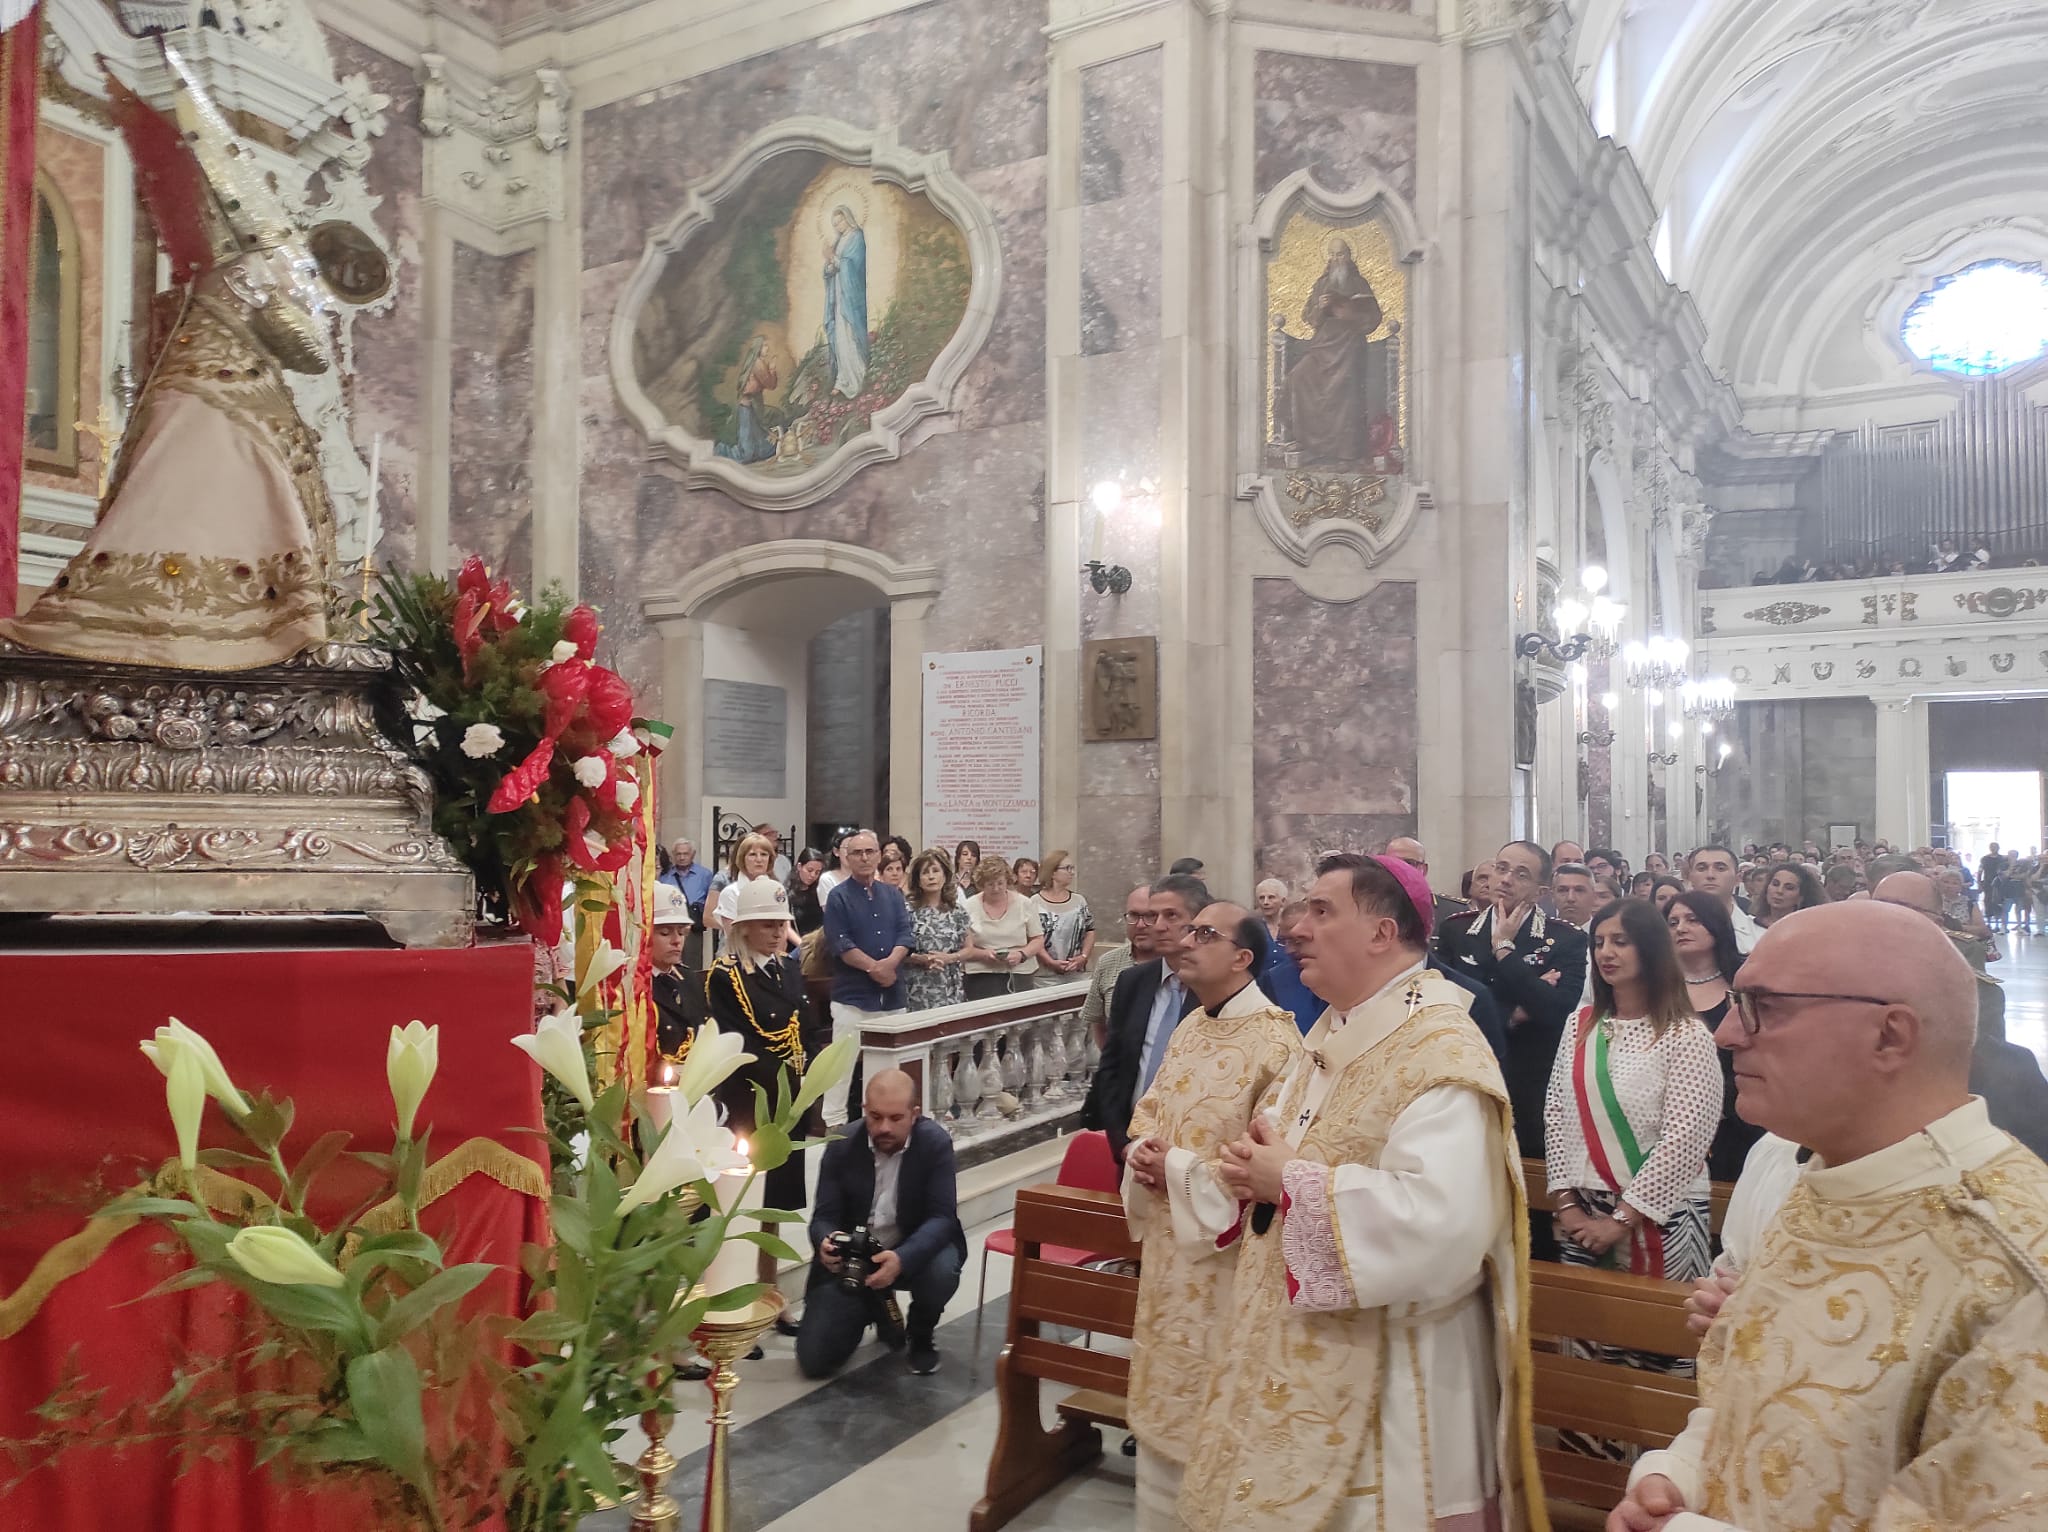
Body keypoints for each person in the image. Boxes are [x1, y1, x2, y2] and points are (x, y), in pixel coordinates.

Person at [1612, 901, 2048, 1532]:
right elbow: (1758, 1390)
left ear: (1890, 1035)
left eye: (1764, 1006)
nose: (1726, 1032)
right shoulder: (1827, 1184)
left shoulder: (2014, 1264)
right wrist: (1678, 1475)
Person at [1176, 853, 1541, 1531]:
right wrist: (1248, 1168)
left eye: (1321, 911)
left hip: (1394, 1379)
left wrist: (1286, 1179)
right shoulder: (1338, 1030)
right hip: (1295, 1353)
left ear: (1381, 933)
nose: (1294, 929)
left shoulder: (1440, 1052)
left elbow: (1444, 1225)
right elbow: (1289, 1148)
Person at [1122, 903, 1302, 1528]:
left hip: (1227, 1263)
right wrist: (1140, 1149)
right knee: (1164, 1393)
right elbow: (1149, 1107)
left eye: (1204, 933)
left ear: (1243, 957)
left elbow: (1268, 1160)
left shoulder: (1279, 1042)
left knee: (1215, 1406)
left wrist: (1172, 1167)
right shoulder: (1192, 1027)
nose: (1185, 940)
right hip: (1169, 1255)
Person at [1545, 899, 1721, 1295]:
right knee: (1587, 1340)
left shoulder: (1686, 1035)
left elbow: (1685, 1139)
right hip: (1584, 1211)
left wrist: (1621, 1219)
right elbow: (1555, 1113)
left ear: (1650, 948)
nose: (1605, 952)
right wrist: (1568, 1206)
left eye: (1620, 941)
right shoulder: (1581, 1025)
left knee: (1656, 1341)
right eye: (1599, 941)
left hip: (1662, 1212)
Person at [797, 1070, 965, 1379]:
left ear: (914, 1114)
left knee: (942, 1270)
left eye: (895, 1118)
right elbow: (823, 1217)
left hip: (912, 1248)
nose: (884, 1127)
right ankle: (874, 1304)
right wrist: (825, 1240)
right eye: (875, 1117)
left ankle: (921, 1331)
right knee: (814, 1361)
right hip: (855, 1257)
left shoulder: (934, 1144)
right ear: (864, 1110)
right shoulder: (842, 1145)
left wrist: (902, 1259)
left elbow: (942, 1218)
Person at [1872, 870, 2048, 1160]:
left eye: (1900, 909)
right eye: (1877, 906)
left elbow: (1975, 1060)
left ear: (1935, 922)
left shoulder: (1973, 986)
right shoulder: (1835, 974)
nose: (1883, 917)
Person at [1435, 840, 1590, 1163]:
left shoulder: (1565, 939)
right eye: (1501, 868)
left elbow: (1554, 1011)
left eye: (1521, 874)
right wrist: (1510, 1013)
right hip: (1465, 1075)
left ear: (1540, 892)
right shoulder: (1456, 930)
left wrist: (1504, 948)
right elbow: (1444, 1005)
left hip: (1529, 1082)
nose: (1505, 879)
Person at [705, 876, 811, 1283]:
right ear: (743, 927)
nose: (776, 932)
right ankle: (736, 1291)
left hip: (789, 1103)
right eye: (766, 923)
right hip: (750, 1103)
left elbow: (803, 1030)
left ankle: (769, 1292)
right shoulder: (727, 976)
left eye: (781, 924)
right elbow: (741, 1042)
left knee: (775, 1205)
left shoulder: (787, 969)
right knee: (742, 1204)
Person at [1081, 873, 1208, 1159]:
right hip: (1131, 1149)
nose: (1157, 926)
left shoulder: (1216, 987)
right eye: (1152, 916)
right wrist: (1121, 1144)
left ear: (1199, 923)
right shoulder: (1132, 982)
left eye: (1170, 916)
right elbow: (1113, 1067)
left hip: (1192, 1156)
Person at [821, 830, 913, 1130]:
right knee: (841, 1067)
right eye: (857, 853)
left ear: (878, 855)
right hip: (853, 997)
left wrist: (891, 963)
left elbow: (904, 933)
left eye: (870, 852)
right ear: (846, 857)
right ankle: (834, 1125)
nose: (864, 857)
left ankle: (887, 1123)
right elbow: (841, 943)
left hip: (892, 995)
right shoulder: (839, 896)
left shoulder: (893, 893)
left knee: (891, 1070)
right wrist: (875, 968)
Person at [1666, 891, 1760, 1181]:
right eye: (1672, 922)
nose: (1680, 928)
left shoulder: (1745, 982)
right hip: (1666, 1124)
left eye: (1692, 919)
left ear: (1715, 925)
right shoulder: (1653, 989)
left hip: (1735, 1121)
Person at [903, 849, 977, 1012]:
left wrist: (950, 957)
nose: (931, 877)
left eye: (935, 871)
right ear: (918, 879)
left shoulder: (957, 911)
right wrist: (921, 959)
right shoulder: (906, 910)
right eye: (925, 873)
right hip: (916, 987)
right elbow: (899, 952)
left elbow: (969, 949)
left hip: (950, 986)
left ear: (945, 876)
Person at [960, 857, 1044, 1000]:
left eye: (1000, 883)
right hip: (980, 974)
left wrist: (1021, 955)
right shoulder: (968, 906)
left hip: (1019, 973)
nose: (996, 888)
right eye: (990, 884)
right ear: (981, 884)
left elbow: (1038, 939)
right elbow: (963, 946)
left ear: (1008, 881)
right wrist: (984, 955)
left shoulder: (1025, 903)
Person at [1081, 885, 1150, 1049]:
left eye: (1149, 916)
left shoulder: (1180, 967)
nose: (1140, 925)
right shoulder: (1109, 962)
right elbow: (1098, 1023)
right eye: (1133, 915)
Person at [649, 883, 707, 1061]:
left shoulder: (689, 979)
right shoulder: (637, 985)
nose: (676, 941)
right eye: (665, 933)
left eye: (681, 933)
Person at [1031, 849, 1094, 986]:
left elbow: (1090, 931)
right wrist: (1050, 962)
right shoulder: (1034, 903)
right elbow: (1033, 938)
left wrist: (1083, 957)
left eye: (1072, 868)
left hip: (1077, 974)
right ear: (1053, 872)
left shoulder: (1079, 901)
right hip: (1044, 977)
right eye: (1067, 868)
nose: (1072, 872)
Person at [1260, 898, 1323, 1034]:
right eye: (1284, 941)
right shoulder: (1272, 981)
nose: (1289, 950)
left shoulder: (1344, 976)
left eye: (1298, 941)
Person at [712, 833, 780, 956]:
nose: (759, 859)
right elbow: (734, 936)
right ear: (742, 858)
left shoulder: (777, 890)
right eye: (753, 854)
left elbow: (783, 930)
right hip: (740, 959)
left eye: (764, 854)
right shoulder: (731, 892)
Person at [1685, 844, 1762, 952]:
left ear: (1737, 878)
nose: (1710, 875)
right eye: (1702, 868)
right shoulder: (1671, 935)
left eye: (1720, 868)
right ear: (1690, 877)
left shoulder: (1761, 936)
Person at [1385, 834, 1469, 931]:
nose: (1400, 868)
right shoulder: (1369, 910)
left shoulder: (1454, 911)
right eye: (1392, 862)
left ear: (1424, 870)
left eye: (1409, 863)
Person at [659, 838, 714, 962]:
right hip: (670, 924)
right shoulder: (665, 876)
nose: (682, 857)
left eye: (685, 854)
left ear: (693, 854)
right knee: (670, 959)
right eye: (678, 854)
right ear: (673, 855)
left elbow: (712, 900)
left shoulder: (704, 875)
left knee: (692, 962)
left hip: (693, 926)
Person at [1755, 862, 1824, 927]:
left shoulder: (1806, 930)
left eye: (1789, 888)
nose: (1779, 891)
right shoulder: (1751, 924)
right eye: (1775, 884)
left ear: (1801, 897)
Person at [785, 847, 827, 936]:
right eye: (810, 870)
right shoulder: (787, 893)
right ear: (799, 866)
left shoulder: (819, 890)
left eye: (817, 872)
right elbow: (786, 928)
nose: (813, 875)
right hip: (797, 943)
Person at [1552, 861, 1602, 929]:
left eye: (1579, 890)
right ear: (1552, 895)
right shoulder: (1539, 934)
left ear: (1594, 895)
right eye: (1563, 890)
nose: (1570, 898)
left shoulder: (1605, 934)